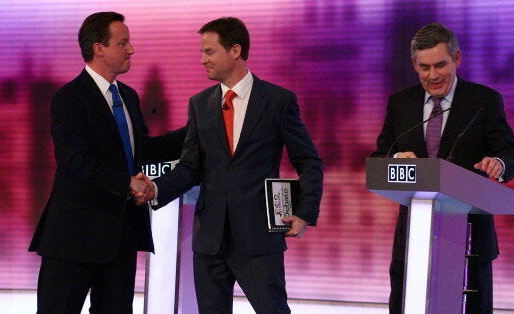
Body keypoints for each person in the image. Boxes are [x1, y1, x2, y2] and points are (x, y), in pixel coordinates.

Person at [132, 17, 323, 314]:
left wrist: (304, 213)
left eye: (209, 52)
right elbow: (190, 167)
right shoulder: (200, 104)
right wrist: (155, 188)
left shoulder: (278, 100)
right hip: (210, 240)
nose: (202, 59)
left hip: (258, 239)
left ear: (235, 50)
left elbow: (308, 161)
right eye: (202, 52)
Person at [28, 12, 186, 313]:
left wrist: (198, 129)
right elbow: (74, 160)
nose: (131, 50)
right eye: (123, 42)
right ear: (99, 48)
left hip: (121, 234)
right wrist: (127, 182)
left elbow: (143, 150)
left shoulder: (127, 95)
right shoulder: (70, 98)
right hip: (74, 235)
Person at [371, 22, 514, 314]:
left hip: (469, 236)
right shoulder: (400, 103)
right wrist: (396, 159)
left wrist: (498, 163)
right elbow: (380, 156)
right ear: (414, 64)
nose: (433, 75)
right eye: (424, 67)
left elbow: (510, 154)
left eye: (440, 65)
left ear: (457, 59)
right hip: (414, 236)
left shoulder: (484, 101)